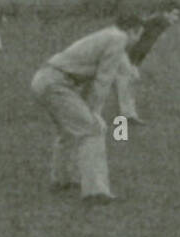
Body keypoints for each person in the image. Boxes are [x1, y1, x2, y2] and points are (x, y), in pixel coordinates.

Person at [31, 15, 144, 204]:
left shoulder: (108, 35)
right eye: (139, 35)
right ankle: (95, 193)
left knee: (69, 130)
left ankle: (63, 180)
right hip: (56, 83)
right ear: (133, 31)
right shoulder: (118, 39)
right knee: (92, 129)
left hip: (46, 79)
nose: (137, 41)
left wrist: (88, 107)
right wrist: (95, 112)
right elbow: (103, 80)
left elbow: (90, 80)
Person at [115, 0, 180, 125]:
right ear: (165, 13)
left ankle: (128, 115)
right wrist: (132, 63)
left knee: (130, 81)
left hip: (129, 56)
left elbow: (143, 48)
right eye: (174, 14)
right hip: (122, 53)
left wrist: (135, 64)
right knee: (126, 81)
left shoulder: (159, 24)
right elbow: (136, 44)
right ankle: (126, 116)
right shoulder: (156, 22)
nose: (176, 18)